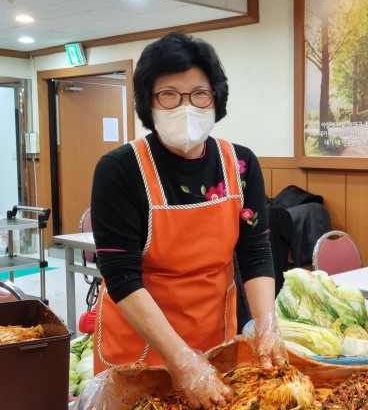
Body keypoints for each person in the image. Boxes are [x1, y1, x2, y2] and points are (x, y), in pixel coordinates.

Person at [89, 32, 285, 409]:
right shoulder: (120, 169)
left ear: (215, 99)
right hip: (141, 346)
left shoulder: (240, 164)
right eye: (169, 95)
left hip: (215, 337)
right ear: (149, 102)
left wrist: (267, 326)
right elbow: (121, 276)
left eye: (199, 93)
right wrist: (181, 361)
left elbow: (256, 250)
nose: (186, 107)